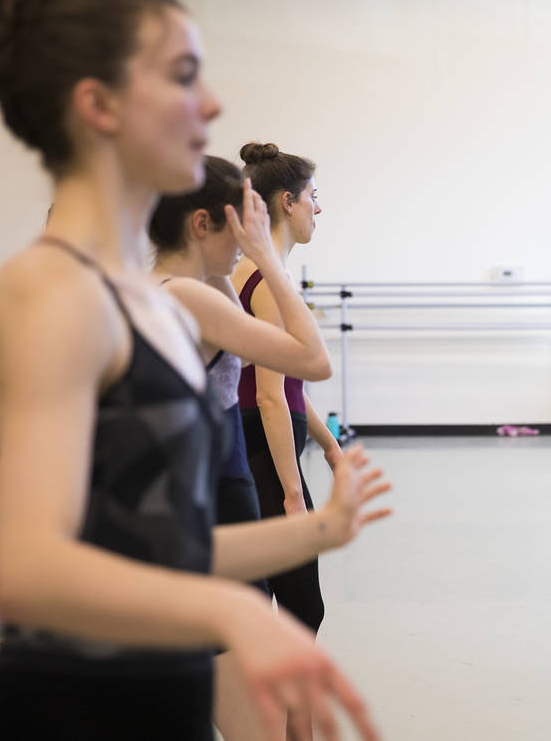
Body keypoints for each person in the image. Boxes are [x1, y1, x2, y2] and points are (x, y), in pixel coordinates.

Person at [0, 0, 387, 738]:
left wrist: (313, 530)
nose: (214, 102)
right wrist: (228, 605)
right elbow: (34, 575)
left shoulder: (145, 298)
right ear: (98, 103)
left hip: (162, 694)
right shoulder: (47, 292)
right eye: (184, 75)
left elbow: (151, 546)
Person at [149, 157, 389, 740]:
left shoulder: (174, 290)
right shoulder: (192, 297)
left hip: (204, 503)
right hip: (214, 495)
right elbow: (309, 364)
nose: (246, 239)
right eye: (240, 225)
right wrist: (268, 261)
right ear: (201, 225)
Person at [232, 142, 340, 637]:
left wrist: (330, 446)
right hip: (267, 461)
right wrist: (293, 492)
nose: (319, 208)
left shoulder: (253, 274)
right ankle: (290, 717)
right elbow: (270, 396)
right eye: (312, 196)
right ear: (287, 203)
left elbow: (286, 384)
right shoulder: (268, 282)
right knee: (300, 610)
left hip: (255, 453)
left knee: (265, 605)